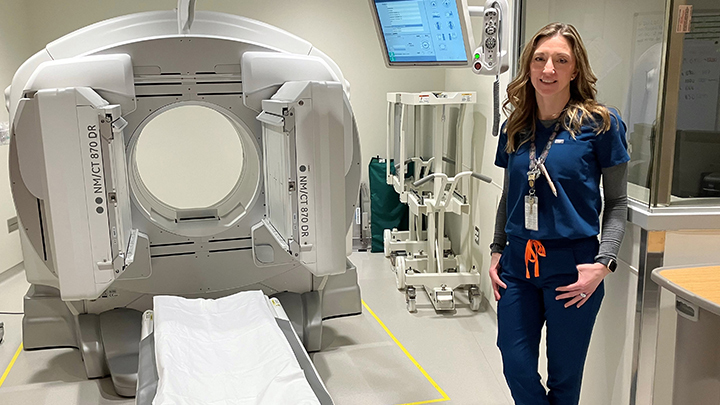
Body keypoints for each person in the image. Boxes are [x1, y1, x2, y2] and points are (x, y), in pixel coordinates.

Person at [488, 22, 629, 405]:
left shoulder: (600, 125)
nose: (548, 69)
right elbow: (510, 195)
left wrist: (604, 263)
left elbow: (618, 203)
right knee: (515, 363)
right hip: (518, 265)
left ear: (575, 70)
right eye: (540, 59)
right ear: (528, 67)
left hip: (573, 268)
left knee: (565, 378)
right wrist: (497, 248)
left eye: (560, 60)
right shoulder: (515, 126)